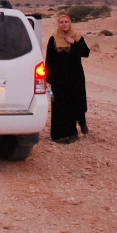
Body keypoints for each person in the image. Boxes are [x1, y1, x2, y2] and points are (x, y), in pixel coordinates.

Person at [45, 12, 90, 143]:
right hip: (59, 78)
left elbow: (86, 52)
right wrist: (47, 78)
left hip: (75, 77)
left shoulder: (77, 37)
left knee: (77, 102)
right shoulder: (54, 39)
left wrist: (73, 43)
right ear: (58, 24)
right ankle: (60, 135)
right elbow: (49, 60)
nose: (64, 24)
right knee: (60, 105)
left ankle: (80, 123)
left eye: (66, 22)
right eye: (61, 22)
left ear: (70, 23)